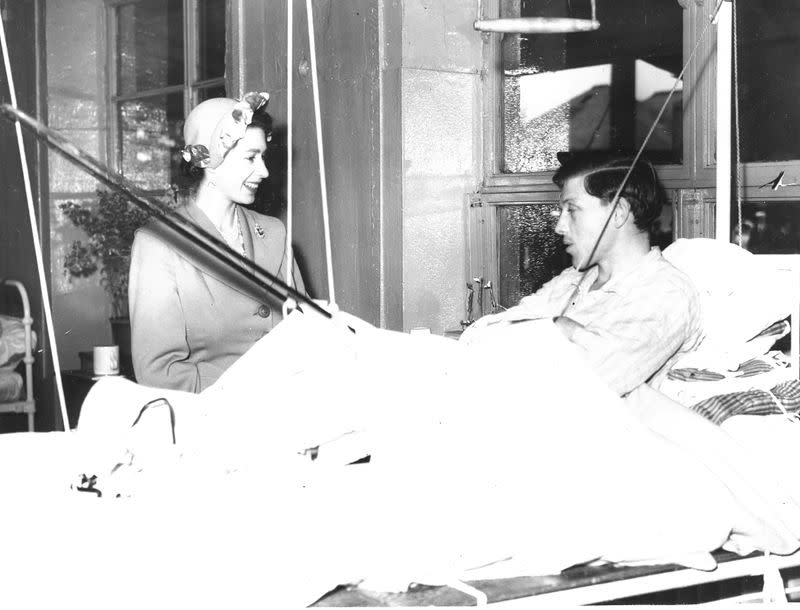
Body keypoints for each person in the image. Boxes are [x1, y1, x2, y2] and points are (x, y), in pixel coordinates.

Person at [463, 153, 702, 396]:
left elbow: (586, 382)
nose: (559, 226)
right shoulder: (572, 279)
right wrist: (556, 328)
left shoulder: (666, 292)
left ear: (618, 213)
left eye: (572, 210)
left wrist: (554, 328)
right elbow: (476, 337)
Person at [129, 91, 306, 392]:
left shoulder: (274, 233)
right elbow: (160, 373)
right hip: (209, 421)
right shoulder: (160, 245)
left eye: (263, 156)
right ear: (211, 161)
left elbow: (307, 333)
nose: (264, 171)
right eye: (251, 157)